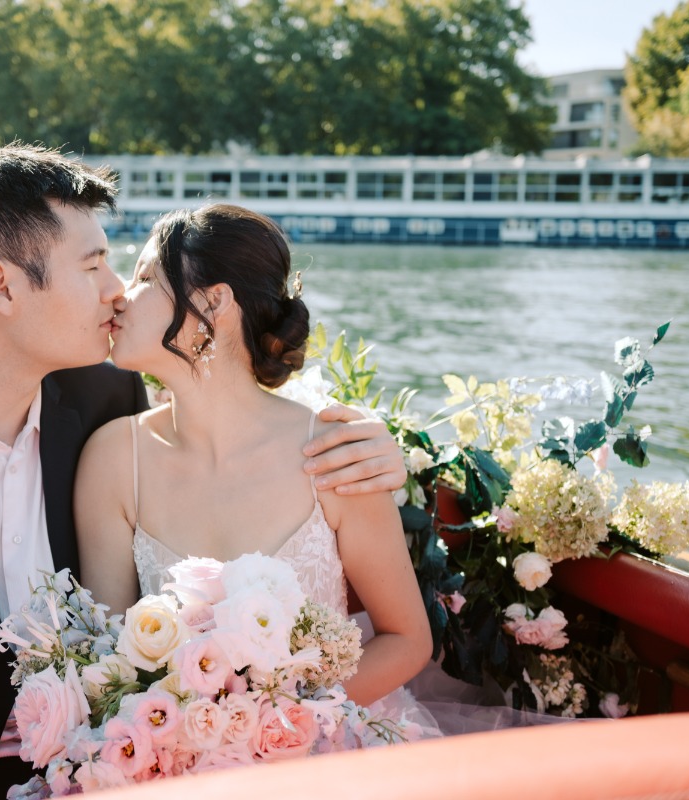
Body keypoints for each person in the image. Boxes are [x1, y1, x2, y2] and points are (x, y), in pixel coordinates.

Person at [0, 146, 408, 800]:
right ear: (2, 286)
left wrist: (381, 448)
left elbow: (225, 427)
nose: (118, 293)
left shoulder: (101, 401)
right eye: (94, 266)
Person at [76, 203, 437, 717]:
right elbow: (109, 661)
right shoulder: (113, 460)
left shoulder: (334, 452)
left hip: (325, 740)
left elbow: (406, 639)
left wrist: (274, 730)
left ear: (214, 301)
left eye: (145, 278)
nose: (119, 297)